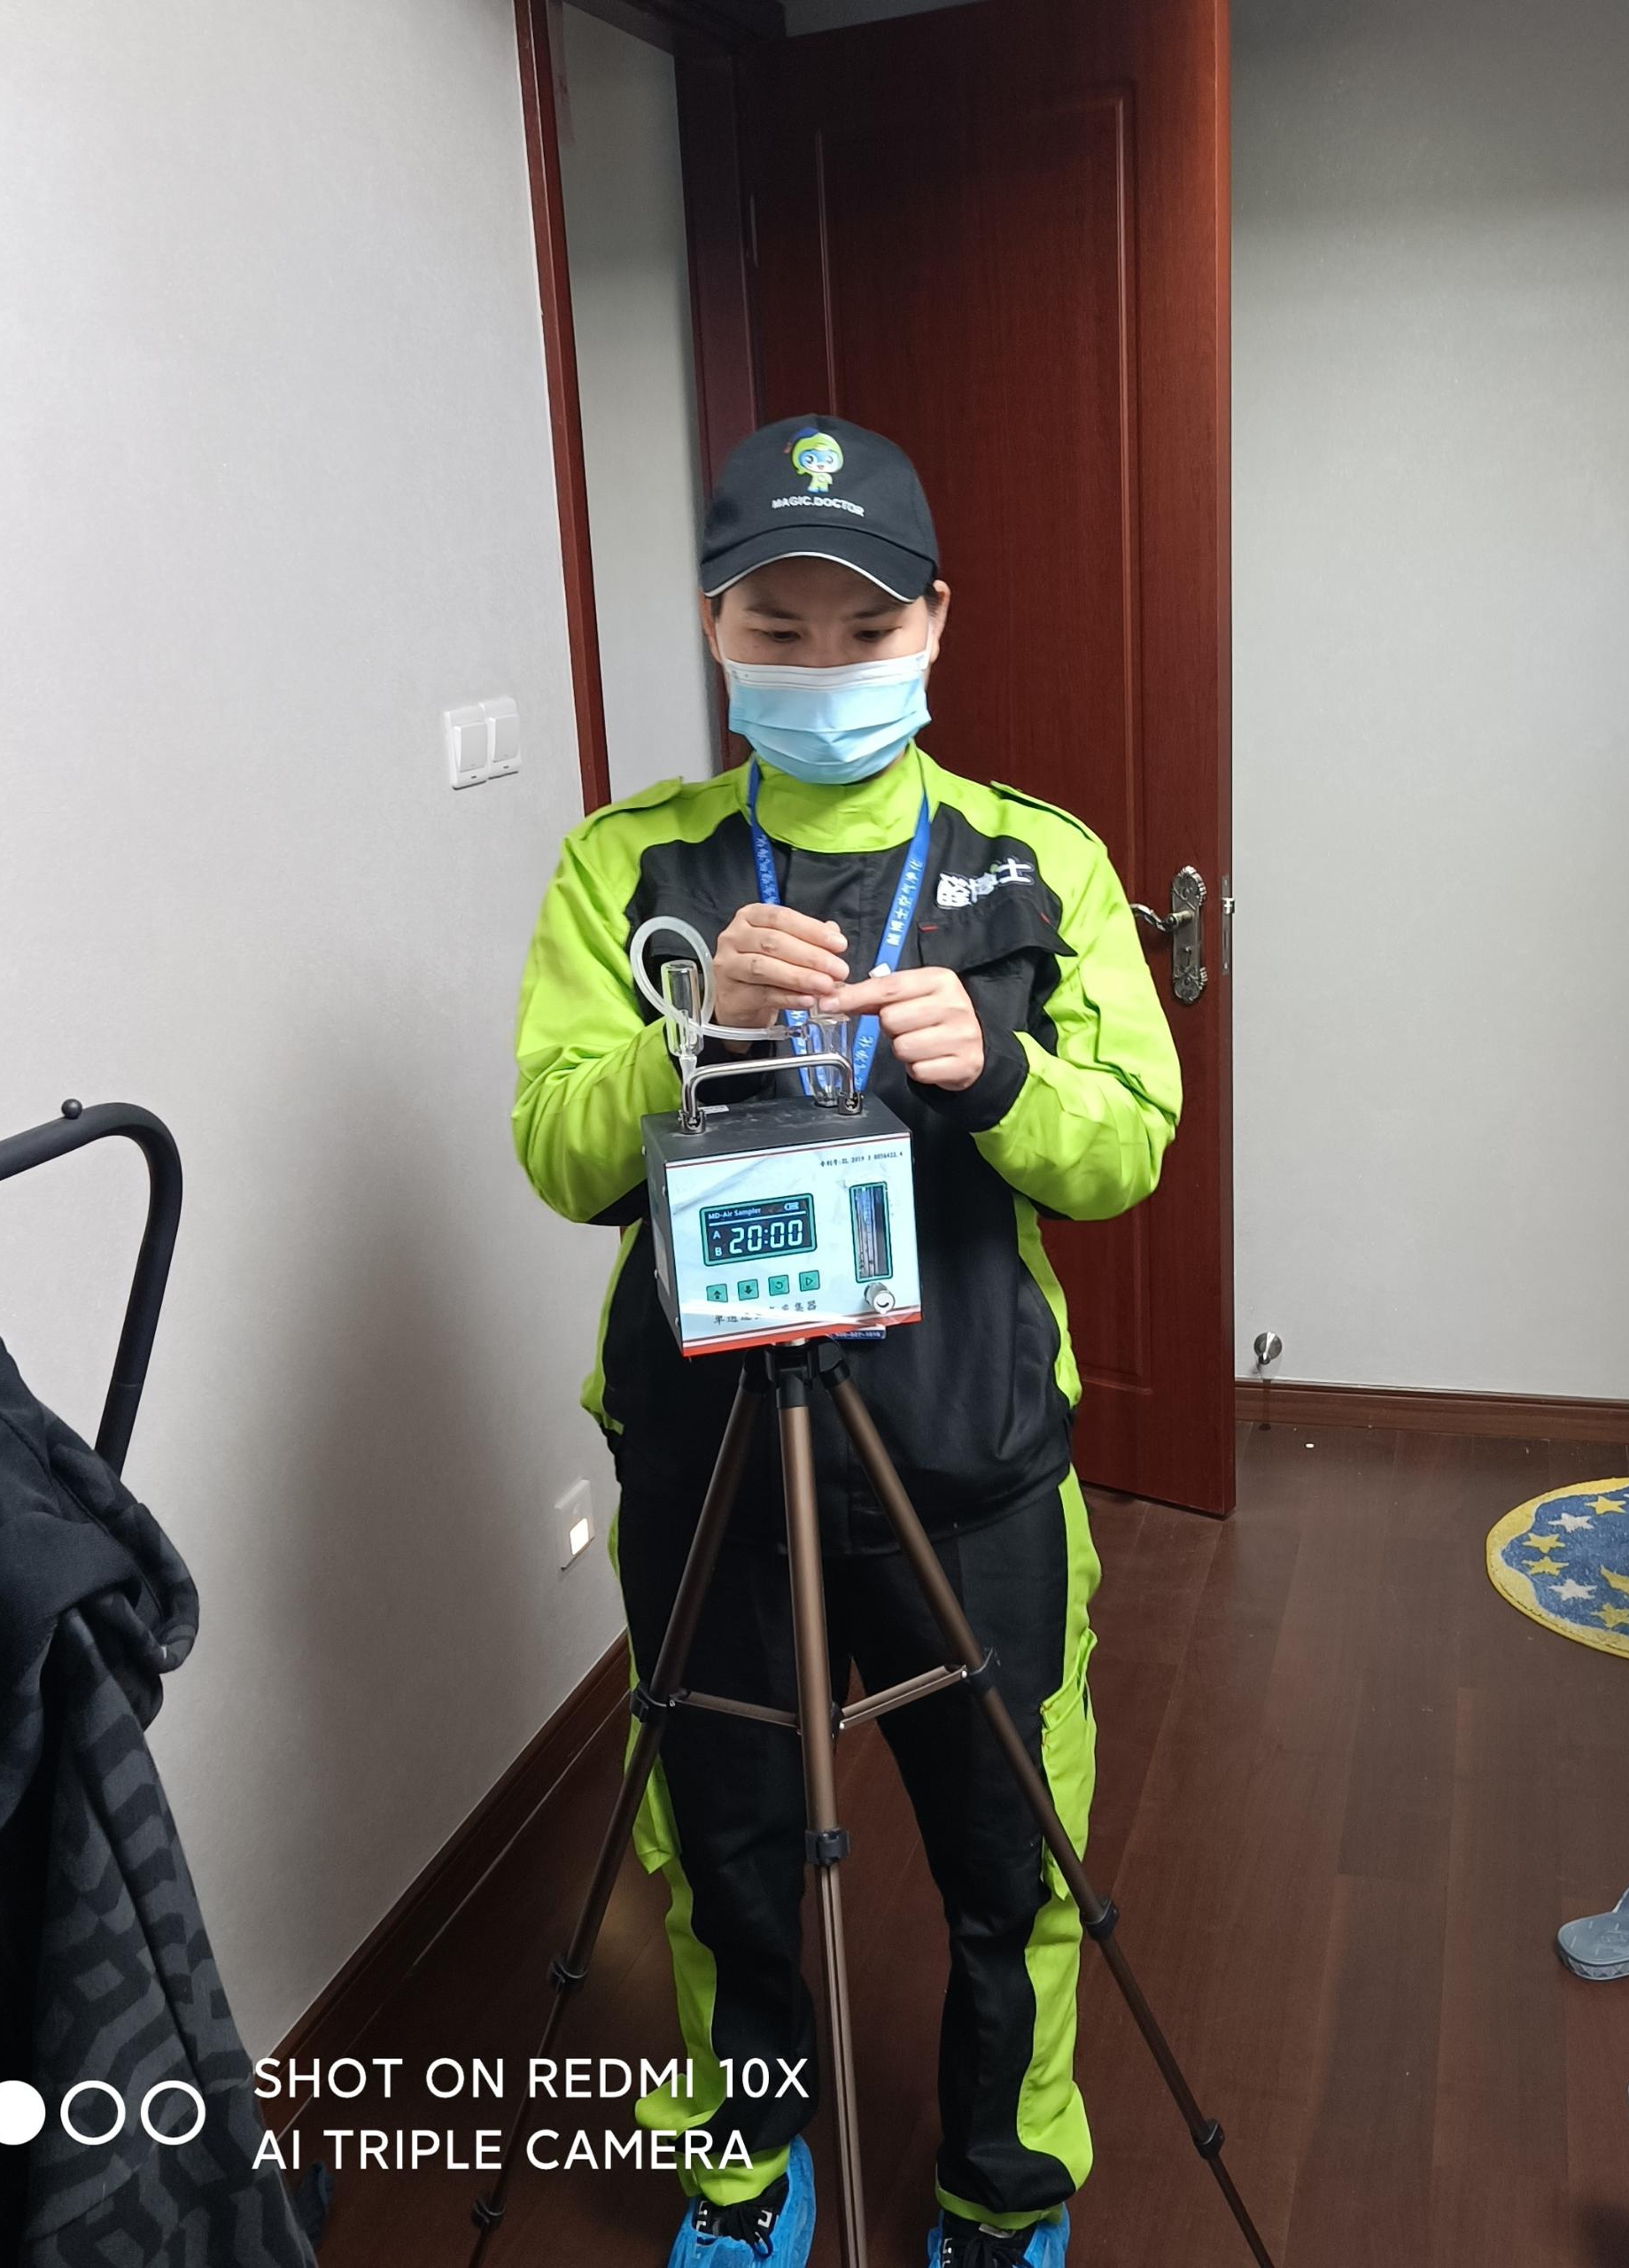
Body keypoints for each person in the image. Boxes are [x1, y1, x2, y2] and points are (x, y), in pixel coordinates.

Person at [511, 416, 1181, 2268]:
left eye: (865, 630)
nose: (822, 667)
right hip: (709, 1455)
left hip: (966, 1459)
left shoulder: (1031, 864)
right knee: (720, 1853)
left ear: (934, 622)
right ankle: (745, 2171)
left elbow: (1132, 1141)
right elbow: (557, 1148)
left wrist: (1003, 1072)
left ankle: (1000, 2189)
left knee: (1008, 1857)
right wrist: (689, 1042)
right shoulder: (630, 869)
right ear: (713, 627)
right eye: (776, 629)